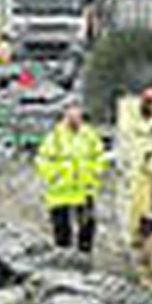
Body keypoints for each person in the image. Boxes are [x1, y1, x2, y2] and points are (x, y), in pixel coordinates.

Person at [35, 99, 106, 254]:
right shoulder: (55, 136)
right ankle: (63, 258)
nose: (74, 115)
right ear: (65, 113)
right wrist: (55, 176)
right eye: (70, 111)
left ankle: (85, 255)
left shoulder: (89, 135)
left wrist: (94, 173)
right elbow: (42, 159)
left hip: (84, 188)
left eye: (77, 110)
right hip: (60, 191)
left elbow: (99, 156)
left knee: (87, 225)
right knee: (61, 228)